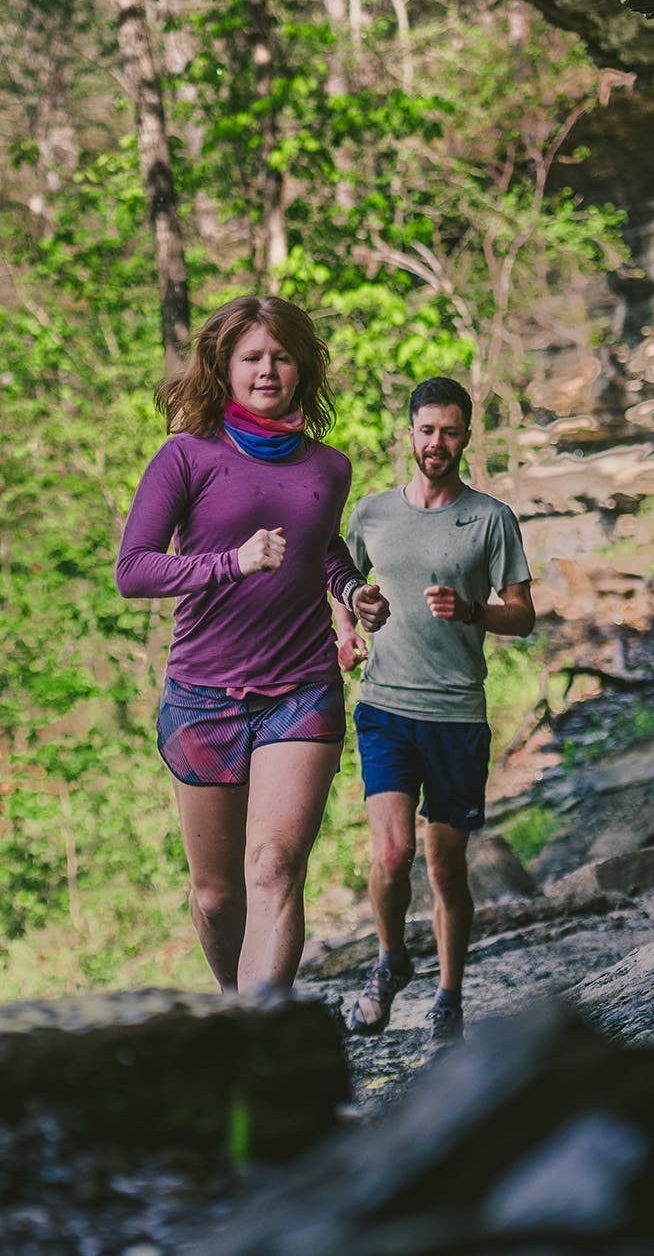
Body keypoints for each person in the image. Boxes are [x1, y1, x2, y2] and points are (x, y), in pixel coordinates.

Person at [116, 296, 391, 995]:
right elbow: (134, 568)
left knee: (272, 866)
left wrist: (352, 590)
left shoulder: (329, 468)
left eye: (282, 356)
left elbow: (322, 549)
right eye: (252, 358)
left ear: (303, 367)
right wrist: (229, 563)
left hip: (300, 691)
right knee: (216, 897)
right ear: (224, 367)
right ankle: (234, 1010)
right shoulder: (187, 456)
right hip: (203, 697)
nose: (268, 370)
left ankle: (264, 1041)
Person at [336, 377, 534, 1046]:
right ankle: (391, 959)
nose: (437, 443)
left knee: (446, 867)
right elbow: (340, 585)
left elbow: (524, 615)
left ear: (466, 437)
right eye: (427, 430)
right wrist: (348, 626)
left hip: (456, 715)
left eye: (450, 432)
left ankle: (448, 999)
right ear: (410, 433)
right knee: (392, 856)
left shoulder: (490, 519)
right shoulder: (370, 515)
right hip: (386, 707)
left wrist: (475, 610)